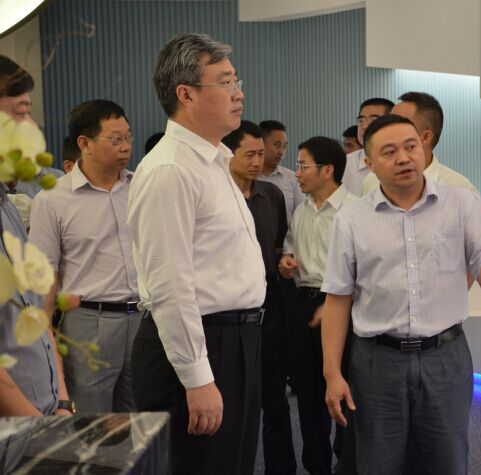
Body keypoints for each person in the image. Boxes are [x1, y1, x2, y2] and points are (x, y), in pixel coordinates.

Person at [321, 115, 481, 475]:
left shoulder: (462, 204)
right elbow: (337, 299)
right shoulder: (352, 218)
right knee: (377, 463)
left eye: (411, 147)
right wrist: (332, 372)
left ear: (424, 149)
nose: (404, 158)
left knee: (447, 461)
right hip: (377, 362)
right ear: (369, 163)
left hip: (445, 358)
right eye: (389, 152)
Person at [128, 33, 265, 475]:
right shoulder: (170, 169)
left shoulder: (214, 161)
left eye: (236, 80)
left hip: (236, 340)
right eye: (225, 82)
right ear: (185, 94)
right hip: (197, 345)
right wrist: (197, 377)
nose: (238, 93)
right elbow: (170, 284)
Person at [30, 99, 140, 414]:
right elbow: (44, 275)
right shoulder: (52, 199)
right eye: (115, 139)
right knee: (92, 422)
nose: (126, 146)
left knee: (142, 418)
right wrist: (45, 335)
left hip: (143, 318)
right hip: (88, 322)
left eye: (128, 137)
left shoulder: (140, 187)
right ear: (84, 143)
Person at [222, 120, 296, 475]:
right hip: (228, 314)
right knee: (233, 402)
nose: (257, 162)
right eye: (249, 154)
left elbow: (280, 243)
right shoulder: (216, 197)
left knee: (274, 398)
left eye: (260, 154)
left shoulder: (272, 196)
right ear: (227, 154)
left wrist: (284, 261)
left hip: (270, 309)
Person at [279, 137, 356, 475]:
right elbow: (290, 248)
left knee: (347, 391)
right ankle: (317, 467)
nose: (297, 173)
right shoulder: (301, 210)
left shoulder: (355, 210)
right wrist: (286, 261)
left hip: (344, 309)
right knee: (308, 395)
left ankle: (348, 464)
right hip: (304, 307)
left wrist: (337, 305)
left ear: (327, 170)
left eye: (303, 165)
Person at [0, 54, 72, 417]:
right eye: (20, 113)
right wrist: (38, 427)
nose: (31, 129)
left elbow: (34, 315)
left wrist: (62, 401)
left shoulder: (7, 206)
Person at [361, 92, 478, 196]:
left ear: (425, 137)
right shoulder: (372, 180)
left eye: (401, 123)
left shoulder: (460, 190)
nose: (389, 128)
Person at [342, 98, 394, 196]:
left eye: (373, 120)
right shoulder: (345, 164)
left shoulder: (402, 162)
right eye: (361, 120)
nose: (364, 126)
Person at [258, 120, 304, 223]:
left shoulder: (292, 178)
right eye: (277, 145)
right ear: (261, 144)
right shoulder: (248, 177)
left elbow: (302, 215)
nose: (281, 152)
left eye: (284, 146)